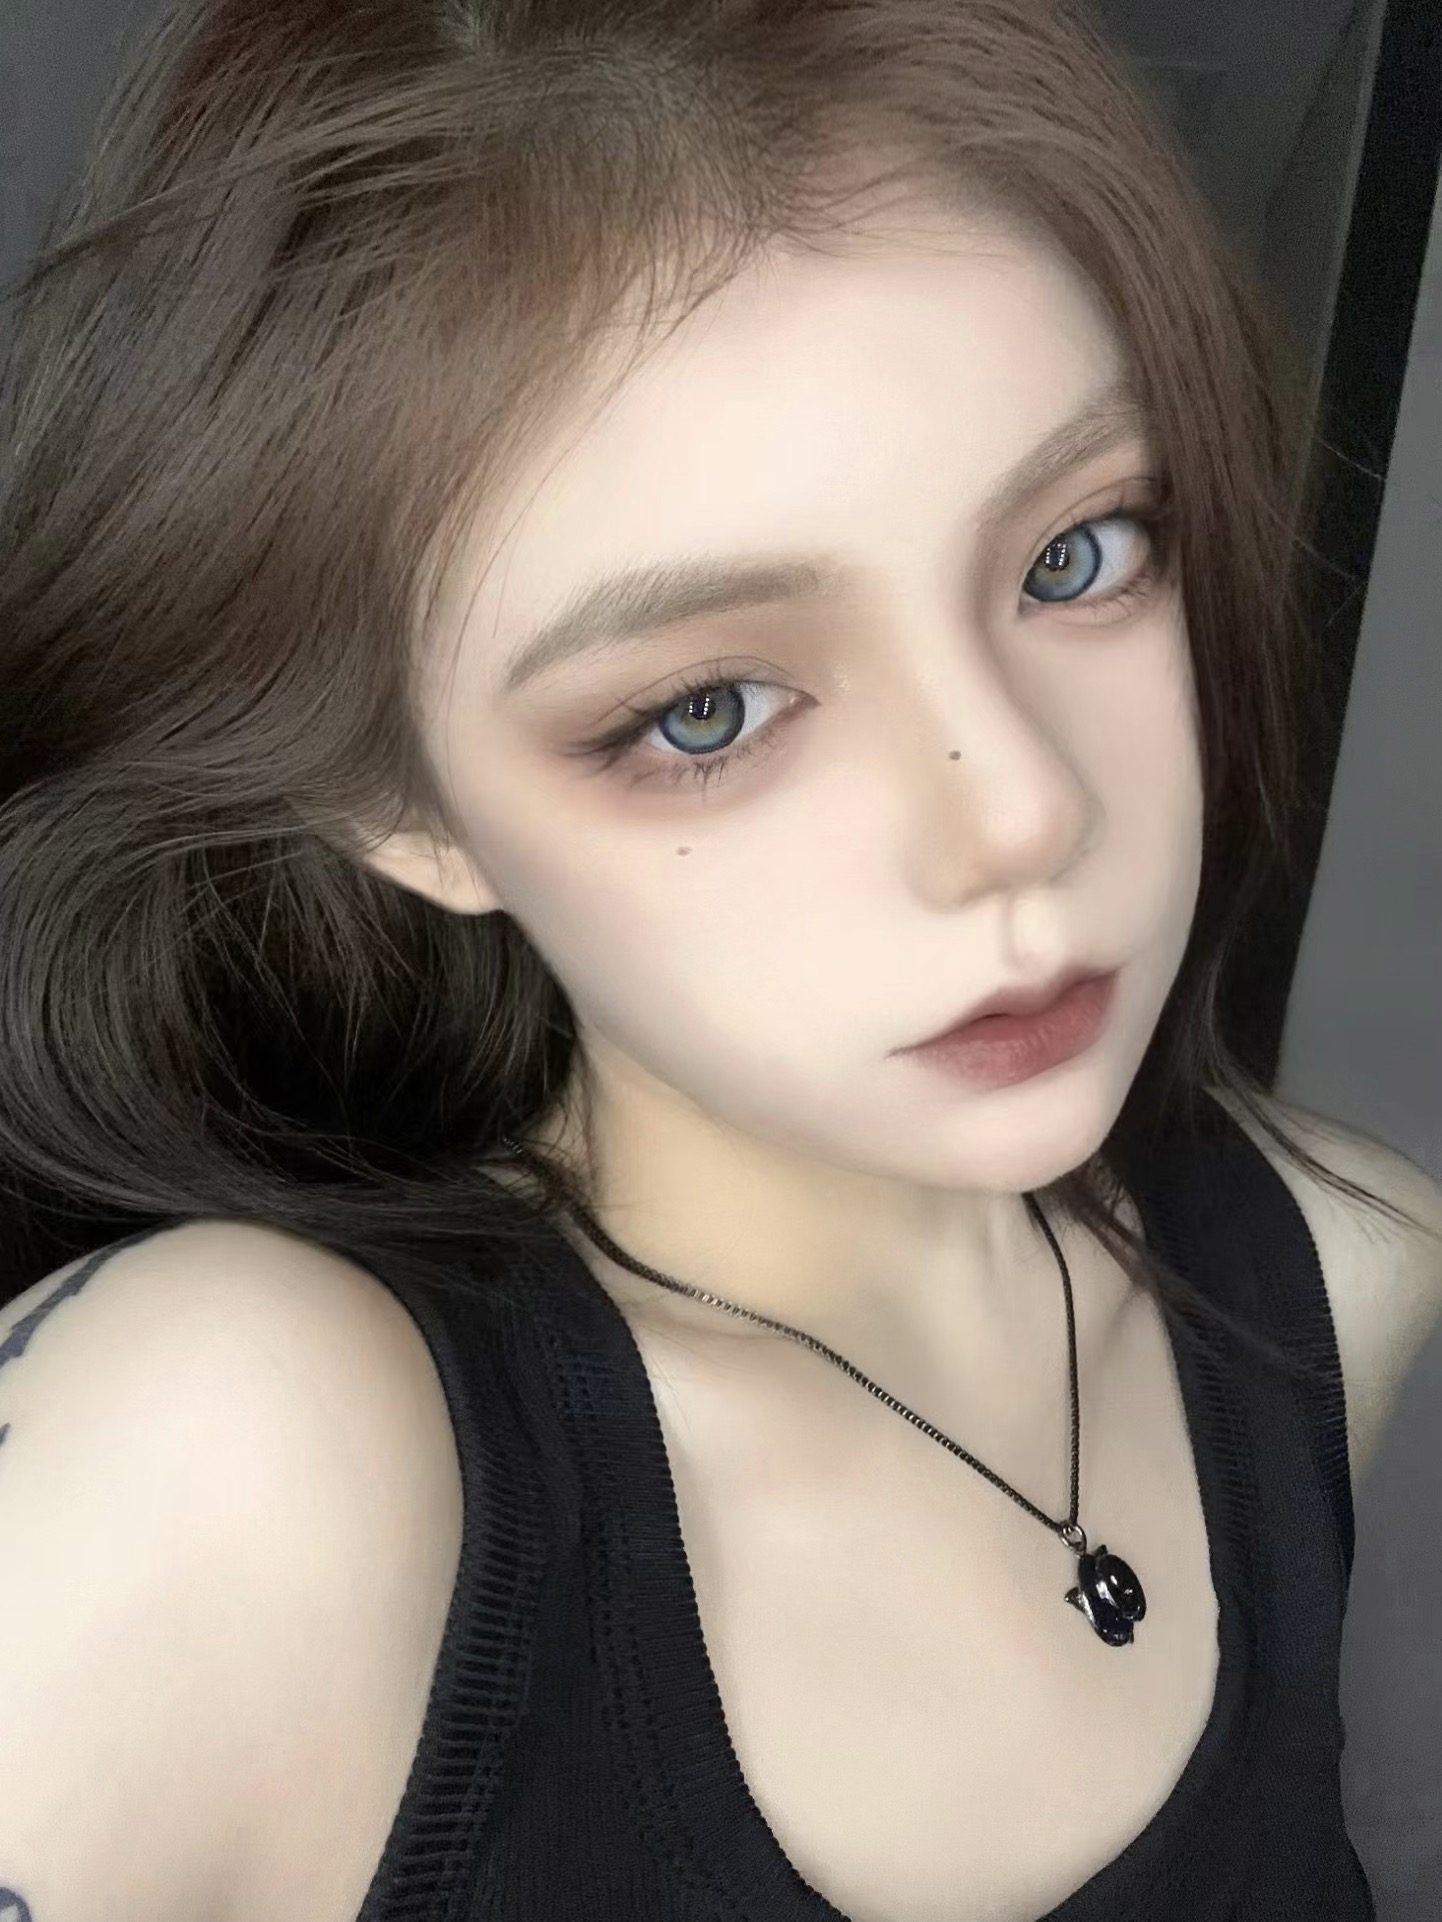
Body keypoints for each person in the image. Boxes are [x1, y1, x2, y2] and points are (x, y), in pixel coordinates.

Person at [0, 0, 1439, 1918]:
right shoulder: (231, 1462)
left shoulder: (1357, 1283)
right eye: (707, 710)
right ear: (401, 806)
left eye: (1079, 554)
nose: (1021, 810)